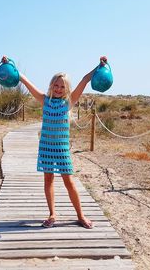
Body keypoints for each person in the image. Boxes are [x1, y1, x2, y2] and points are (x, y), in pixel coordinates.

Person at [19, 59, 103, 229]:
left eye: (62, 87)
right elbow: (23, 80)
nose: (58, 89)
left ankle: (80, 215)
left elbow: (85, 80)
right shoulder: (44, 100)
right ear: (51, 86)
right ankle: (52, 214)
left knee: (69, 181)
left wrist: (100, 66)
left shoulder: (69, 102)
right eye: (56, 85)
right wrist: (11, 65)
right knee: (48, 180)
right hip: (46, 148)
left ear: (67, 89)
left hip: (62, 149)